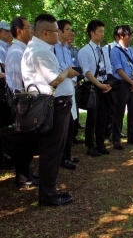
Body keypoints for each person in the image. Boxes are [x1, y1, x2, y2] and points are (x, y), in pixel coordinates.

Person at [21, 13, 79, 205]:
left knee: (53, 150)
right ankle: (48, 195)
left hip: (55, 104)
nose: (59, 34)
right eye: (56, 31)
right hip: (52, 105)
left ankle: (50, 190)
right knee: (51, 151)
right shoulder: (40, 52)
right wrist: (68, 72)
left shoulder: (41, 49)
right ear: (45, 33)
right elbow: (53, 80)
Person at [4, 16, 39, 187]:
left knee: (29, 139)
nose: (31, 30)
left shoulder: (23, 50)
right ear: (19, 31)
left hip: (26, 102)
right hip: (21, 103)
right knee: (23, 140)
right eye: (28, 27)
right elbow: (19, 83)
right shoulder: (17, 52)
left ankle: (27, 171)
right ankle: (22, 176)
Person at [78, 20, 113, 156]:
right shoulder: (84, 51)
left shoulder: (104, 50)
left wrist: (108, 84)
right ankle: (90, 145)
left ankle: (100, 144)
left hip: (104, 86)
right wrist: (99, 84)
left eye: (103, 31)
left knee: (103, 117)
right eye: (100, 31)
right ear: (92, 33)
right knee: (92, 117)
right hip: (92, 86)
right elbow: (86, 72)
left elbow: (108, 68)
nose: (102, 34)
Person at [110, 25, 133, 150]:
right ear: (121, 36)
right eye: (129, 35)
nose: (131, 37)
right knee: (119, 112)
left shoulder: (132, 50)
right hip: (122, 84)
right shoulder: (114, 50)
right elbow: (118, 70)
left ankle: (131, 136)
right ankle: (116, 139)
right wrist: (131, 82)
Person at [54, 19, 80, 169]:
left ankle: (67, 155)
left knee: (71, 125)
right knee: (64, 126)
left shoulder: (65, 48)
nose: (71, 32)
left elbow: (70, 68)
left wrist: (74, 77)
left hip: (70, 89)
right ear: (60, 31)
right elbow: (59, 70)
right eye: (68, 29)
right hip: (60, 93)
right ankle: (63, 158)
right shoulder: (54, 49)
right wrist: (69, 74)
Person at [67, 29, 85, 142]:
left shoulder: (75, 50)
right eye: (70, 34)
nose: (72, 37)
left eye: (73, 35)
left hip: (75, 81)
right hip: (66, 82)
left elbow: (78, 66)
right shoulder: (59, 48)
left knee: (75, 109)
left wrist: (77, 78)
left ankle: (74, 135)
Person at [0, 20, 13, 170]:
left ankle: (8, 155)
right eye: (5, 31)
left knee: (7, 124)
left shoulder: (9, 46)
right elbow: (5, 68)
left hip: (7, 89)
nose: (8, 33)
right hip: (2, 91)